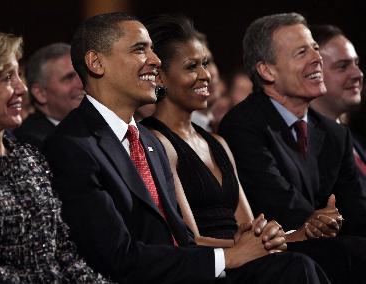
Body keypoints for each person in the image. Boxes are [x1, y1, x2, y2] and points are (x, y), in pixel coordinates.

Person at [43, 12, 329, 284]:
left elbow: (181, 240)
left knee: (302, 263)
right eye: (140, 49)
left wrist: (263, 241)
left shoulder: (147, 142)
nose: (155, 61)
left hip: (185, 271)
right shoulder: (72, 146)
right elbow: (118, 257)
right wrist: (227, 257)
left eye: (153, 50)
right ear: (96, 63)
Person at [142, 13, 366, 283]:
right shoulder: (157, 141)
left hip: (247, 257)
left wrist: (305, 231)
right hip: (213, 266)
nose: (205, 76)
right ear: (161, 77)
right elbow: (186, 240)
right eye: (192, 67)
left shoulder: (217, 143)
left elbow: (248, 229)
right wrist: (241, 249)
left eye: (205, 64)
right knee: (300, 266)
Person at [218, 12, 366, 281]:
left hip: (333, 248)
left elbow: (357, 210)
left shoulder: (335, 133)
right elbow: (277, 205)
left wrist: (335, 220)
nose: (317, 58)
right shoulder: (242, 125)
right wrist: (320, 222)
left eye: (316, 48)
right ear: (267, 70)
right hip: (281, 255)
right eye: (301, 52)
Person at [0, 25, 110, 283]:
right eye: (7, 78)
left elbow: (64, 252)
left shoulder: (29, 157)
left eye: (18, 75)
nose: (22, 89)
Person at [310, 25, 366, 178]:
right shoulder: (306, 149)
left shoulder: (356, 141)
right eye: (342, 66)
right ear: (312, 75)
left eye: (356, 63)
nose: (358, 74)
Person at [14, 42, 85, 149]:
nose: (82, 83)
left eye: (82, 73)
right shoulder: (31, 144)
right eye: (69, 77)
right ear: (40, 94)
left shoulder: (99, 126)